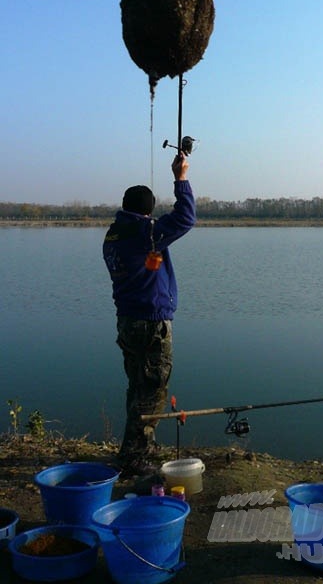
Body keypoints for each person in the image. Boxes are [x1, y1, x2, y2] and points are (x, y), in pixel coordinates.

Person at [102, 153, 195, 475]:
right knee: (153, 388)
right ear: (148, 209)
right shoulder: (144, 233)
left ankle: (134, 449)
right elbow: (185, 219)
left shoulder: (114, 234)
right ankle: (135, 459)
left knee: (137, 387)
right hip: (151, 323)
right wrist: (180, 178)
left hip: (127, 321)